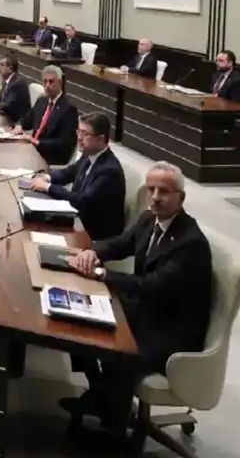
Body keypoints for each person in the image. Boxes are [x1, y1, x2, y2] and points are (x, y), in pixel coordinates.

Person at [63, 162, 212, 443]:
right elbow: (121, 243)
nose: (155, 197)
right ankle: (102, 397)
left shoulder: (190, 243)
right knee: (81, 324)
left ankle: (114, 434)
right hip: (147, 311)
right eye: (151, 189)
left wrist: (103, 274)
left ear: (181, 198)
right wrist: (93, 253)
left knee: (122, 354)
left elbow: (154, 286)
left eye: (164, 191)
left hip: (171, 330)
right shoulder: (148, 219)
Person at [29, 112, 125, 239]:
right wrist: (46, 178)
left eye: (85, 134)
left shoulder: (109, 171)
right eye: (78, 131)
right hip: (77, 220)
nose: (79, 138)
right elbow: (69, 172)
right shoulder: (89, 155)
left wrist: (48, 187)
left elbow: (82, 200)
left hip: (92, 234)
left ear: (101, 139)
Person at [13, 65, 79, 165]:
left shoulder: (69, 108)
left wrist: (38, 143)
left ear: (60, 83)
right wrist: (19, 125)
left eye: (51, 82)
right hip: (33, 149)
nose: (47, 85)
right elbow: (27, 119)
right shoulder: (42, 100)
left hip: (50, 156)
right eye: (45, 82)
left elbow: (65, 143)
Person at [0, 57, 31, 122]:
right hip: (7, 118)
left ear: (10, 69)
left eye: (1, 65)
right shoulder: (8, 80)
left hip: (17, 122)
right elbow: (0, 96)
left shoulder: (18, 83)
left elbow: (7, 105)